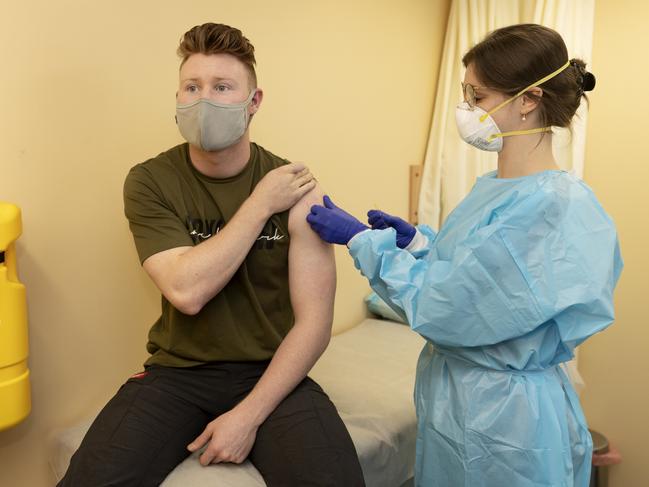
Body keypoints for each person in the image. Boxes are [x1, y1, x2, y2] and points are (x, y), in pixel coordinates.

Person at [307, 23, 622, 487]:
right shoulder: (500, 191)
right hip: (462, 404)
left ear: (529, 100)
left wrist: (363, 242)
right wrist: (418, 244)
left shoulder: (554, 206)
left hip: (504, 423)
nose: (468, 110)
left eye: (479, 97)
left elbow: (451, 307)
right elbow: (477, 271)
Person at [58, 23, 365, 487]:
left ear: (253, 101)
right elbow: (187, 290)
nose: (204, 100)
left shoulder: (297, 186)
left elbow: (314, 323)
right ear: (178, 97)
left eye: (222, 87)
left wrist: (247, 416)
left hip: (273, 372)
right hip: (177, 373)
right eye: (192, 87)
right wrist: (260, 204)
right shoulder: (150, 181)